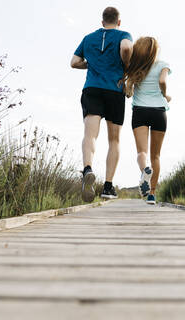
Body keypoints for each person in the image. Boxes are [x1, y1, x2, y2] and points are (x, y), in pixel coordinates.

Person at [70, 7, 133, 202]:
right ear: (119, 21)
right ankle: (107, 186)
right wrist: (126, 68)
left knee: (90, 134)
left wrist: (91, 64)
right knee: (114, 140)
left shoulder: (89, 38)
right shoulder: (124, 34)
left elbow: (74, 62)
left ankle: (87, 168)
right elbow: (127, 48)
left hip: (92, 89)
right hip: (115, 90)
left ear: (102, 21)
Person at [123, 37, 171, 205]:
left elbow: (128, 92)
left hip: (140, 111)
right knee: (156, 155)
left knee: (141, 153)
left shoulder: (135, 66)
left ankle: (145, 170)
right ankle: (152, 194)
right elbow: (162, 81)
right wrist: (165, 95)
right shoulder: (163, 65)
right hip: (159, 112)